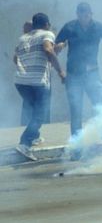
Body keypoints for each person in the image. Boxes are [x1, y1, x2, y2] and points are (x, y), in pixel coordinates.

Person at [55, 3, 102, 152]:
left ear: (91, 14)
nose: (84, 18)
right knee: (76, 111)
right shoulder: (70, 26)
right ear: (77, 14)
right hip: (74, 76)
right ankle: (77, 148)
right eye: (81, 15)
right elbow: (57, 43)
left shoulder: (98, 27)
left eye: (86, 15)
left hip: (92, 74)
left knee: (101, 107)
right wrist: (60, 46)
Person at [14, 13, 66, 160]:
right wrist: (61, 71)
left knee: (33, 110)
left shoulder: (23, 38)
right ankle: (24, 143)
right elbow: (48, 50)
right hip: (37, 82)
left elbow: (15, 58)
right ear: (46, 24)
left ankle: (34, 136)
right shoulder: (47, 34)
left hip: (21, 82)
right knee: (40, 114)